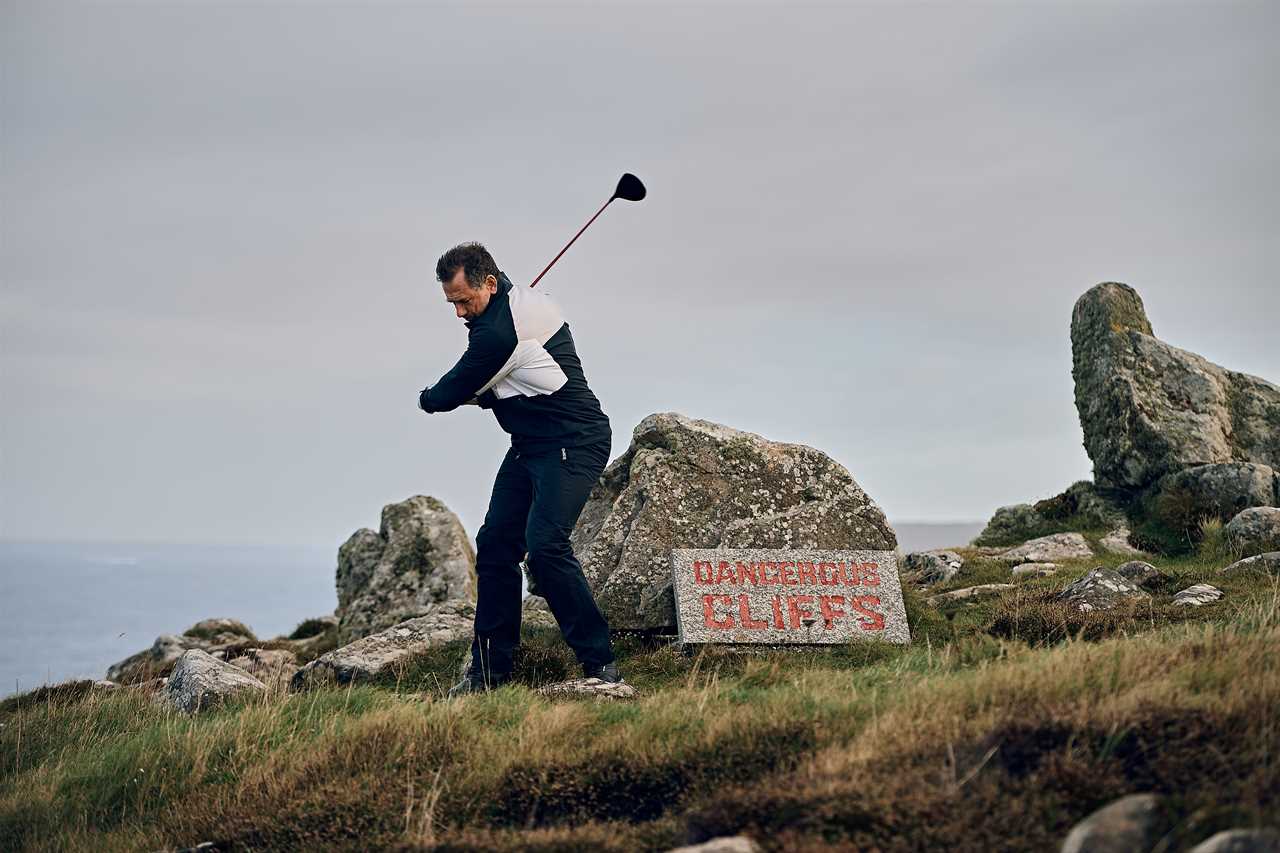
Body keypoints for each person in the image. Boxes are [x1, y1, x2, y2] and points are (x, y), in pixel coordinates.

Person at [417, 242, 620, 695]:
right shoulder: (517, 302)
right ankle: (489, 672)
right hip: (530, 444)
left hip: (574, 442)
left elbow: (448, 395)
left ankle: (600, 662)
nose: (460, 313)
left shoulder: (499, 334)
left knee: (545, 547)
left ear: (490, 283)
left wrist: (426, 396)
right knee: (494, 546)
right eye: (452, 304)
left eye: (464, 302)